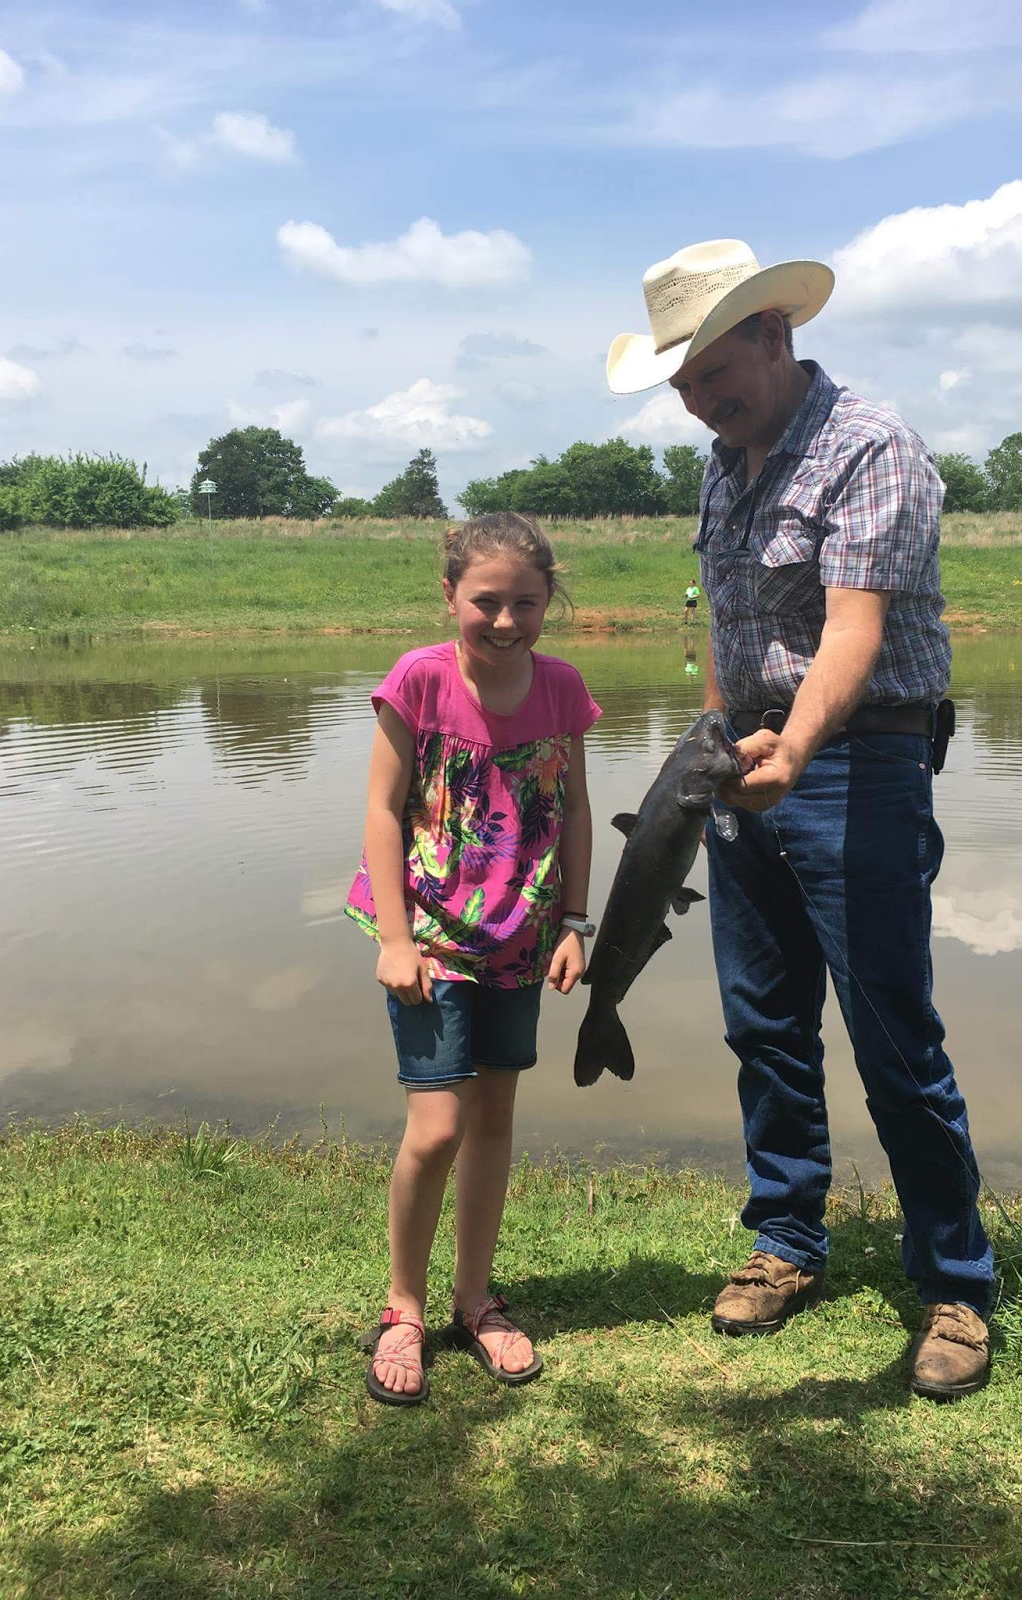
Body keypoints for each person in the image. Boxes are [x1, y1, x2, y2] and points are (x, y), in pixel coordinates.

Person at [607, 240, 995, 1400]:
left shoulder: (870, 444)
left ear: (775, 336)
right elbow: (734, 635)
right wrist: (710, 757)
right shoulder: (728, 463)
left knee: (892, 1034)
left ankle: (955, 1284)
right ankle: (786, 1241)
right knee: (763, 1024)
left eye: (712, 374)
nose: (697, 402)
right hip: (739, 767)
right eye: (680, 385)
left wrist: (801, 747)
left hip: (855, 761)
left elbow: (855, 629)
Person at [346, 511, 600, 1405]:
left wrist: (576, 920)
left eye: (525, 604)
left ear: (548, 601)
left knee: (493, 1119)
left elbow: (572, 810)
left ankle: (473, 1300)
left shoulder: (563, 688)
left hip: (523, 942)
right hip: (430, 943)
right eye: (485, 602)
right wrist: (393, 939)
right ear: (449, 593)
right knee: (438, 1127)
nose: (504, 621)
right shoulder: (418, 681)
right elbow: (382, 810)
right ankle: (404, 1309)